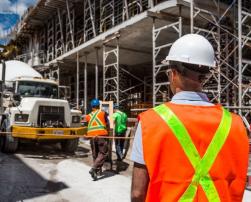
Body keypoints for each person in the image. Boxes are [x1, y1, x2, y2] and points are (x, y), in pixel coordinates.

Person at [130, 34, 249, 202]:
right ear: (206, 75)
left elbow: (137, 193)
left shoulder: (150, 122)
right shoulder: (235, 123)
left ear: (173, 74)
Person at [85, 98, 109, 181]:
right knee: (103, 153)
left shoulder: (88, 116)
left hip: (92, 137)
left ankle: (96, 172)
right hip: (101, 136)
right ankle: (94, 168)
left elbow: (87, 126)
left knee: (95, 154)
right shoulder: (103, 113)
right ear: (99, 106)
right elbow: (107, 124)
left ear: (92, 107)